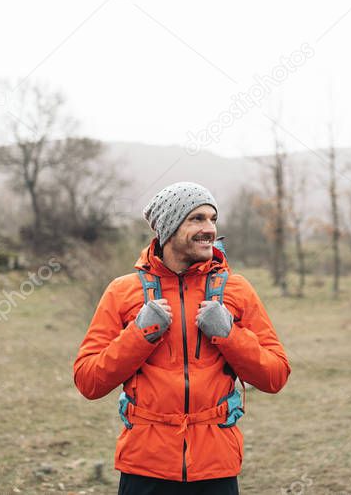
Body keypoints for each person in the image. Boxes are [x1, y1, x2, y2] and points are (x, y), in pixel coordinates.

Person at [73, 181, 291, 494]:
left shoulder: (237, 290)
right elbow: (88, 381)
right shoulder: (122, 292)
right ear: (169, 227)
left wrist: (229, 335)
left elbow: (276, 376)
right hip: (145, 468)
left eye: (212, 219)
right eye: (197, 219)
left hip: (216, 468)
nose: (210, 229)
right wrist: (140, 333)